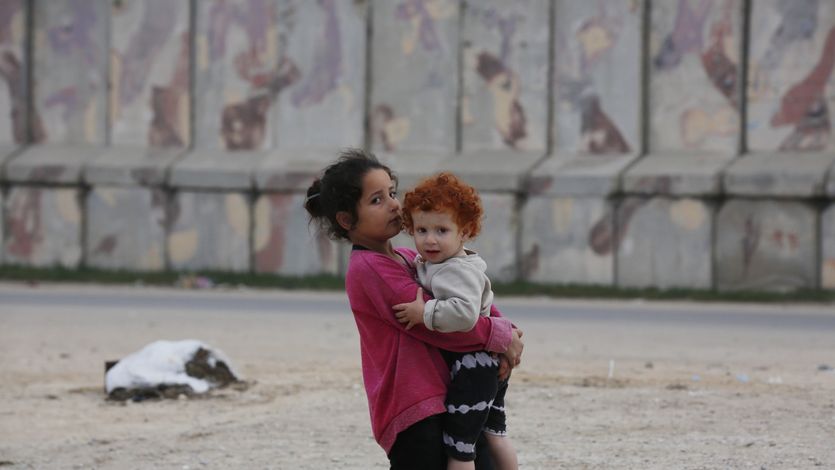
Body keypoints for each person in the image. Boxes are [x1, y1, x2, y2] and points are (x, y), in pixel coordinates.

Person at [304, 149, 524, 470]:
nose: (394, 204)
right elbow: (441, 327)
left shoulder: (410, 256)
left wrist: (503, 328)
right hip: (414, 406)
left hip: (444, 394)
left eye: (392, 193)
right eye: (377, 200)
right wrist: (499, 336)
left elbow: (465, 293)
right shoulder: (372, 269)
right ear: (347, 220)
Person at [393, 172, 518, 470]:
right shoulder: (444, 263)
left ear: (465, 231)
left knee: (460, 449)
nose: (430, 239)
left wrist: (423, 313)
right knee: (493, 433)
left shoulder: (455, 271)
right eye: (421, 230)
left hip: (473, 366)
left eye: (441, 230)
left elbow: (463, 314)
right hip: (484, 363)